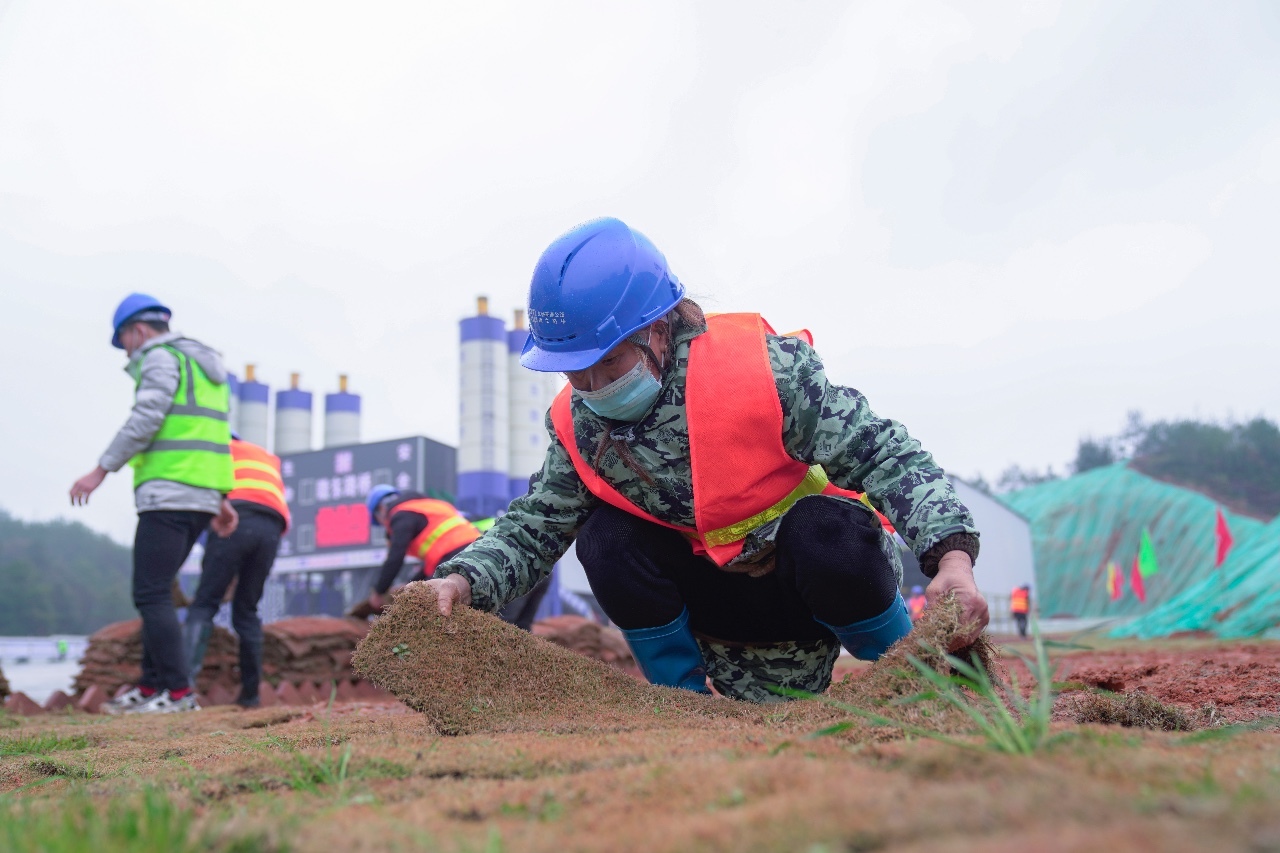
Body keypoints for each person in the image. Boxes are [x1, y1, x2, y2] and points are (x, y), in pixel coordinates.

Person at [422, 218, 987, 702]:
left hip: (815, 582)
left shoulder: (765, 375)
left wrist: (953, 561)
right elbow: (533, 526)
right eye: (576, 372)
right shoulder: (578, 425)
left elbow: (886, 455)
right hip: (716, 611)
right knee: (606, 537)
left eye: (611, 363)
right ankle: (682, 703)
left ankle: (922, 673)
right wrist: (463, 580)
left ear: (659, 330)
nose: (594, 387)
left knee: (827, 527)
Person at [70, 293, 237, 714]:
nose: (126, 350)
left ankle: (178, 694)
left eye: (124, 340)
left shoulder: (161, 358)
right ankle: (151, 688)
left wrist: (101, 469)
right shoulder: (205, 366)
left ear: (138, 331)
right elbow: (214, 435)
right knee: (157, 591)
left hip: (169, 491)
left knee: (150, 592)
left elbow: (147, 418)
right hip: (198, 493)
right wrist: (218, 499)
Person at [185, 436, 290, 708]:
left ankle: (182, 690)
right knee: (246, 611)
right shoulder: (264, 456)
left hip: (234, 519)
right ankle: (251, 696)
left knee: (203, 605)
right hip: (271, 530)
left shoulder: (215, 447)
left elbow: (203, 503)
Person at [363, 488, 550, 629]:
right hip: (482, 553)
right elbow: (429, 567)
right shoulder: (432, 506)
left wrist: (379, 591)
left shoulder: (400, 514)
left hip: (460, 560)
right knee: (519, 629)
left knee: (486, 623)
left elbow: (395, 557)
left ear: (381, 510)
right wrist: (410, 583)